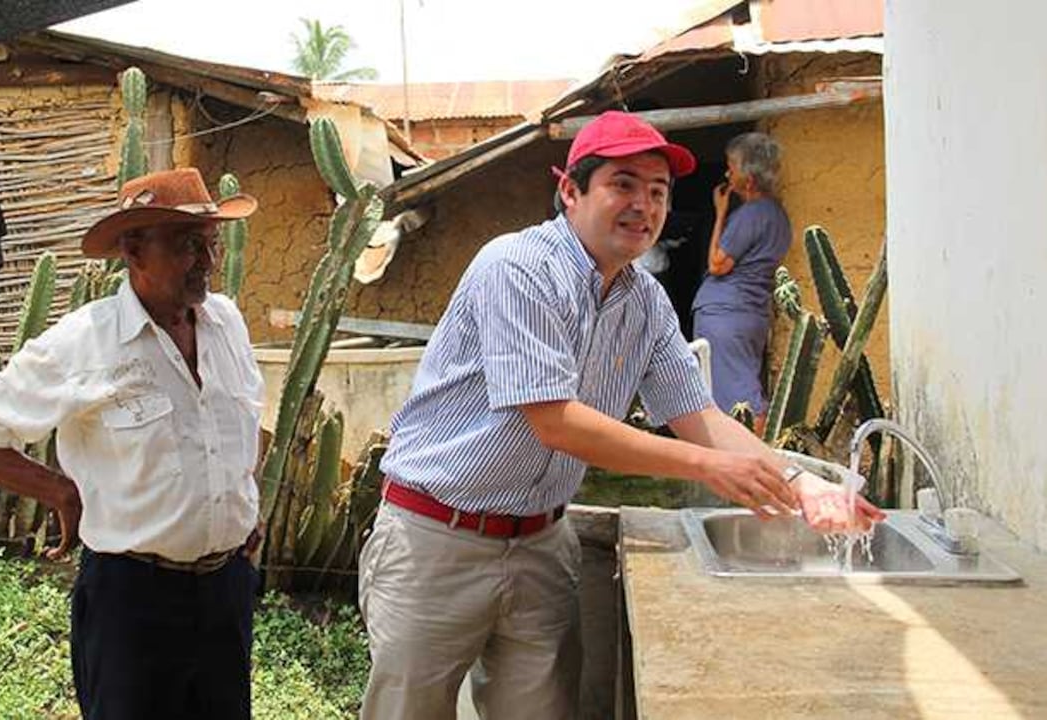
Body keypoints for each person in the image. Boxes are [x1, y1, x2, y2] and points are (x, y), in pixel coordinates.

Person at [357, 112, 883, 720]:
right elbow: (554, 420)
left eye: (658, 191)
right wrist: (711, 468)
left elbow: (699, 415)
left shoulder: (646, 300)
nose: (645, 204)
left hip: (540, 542)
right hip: (436, 540)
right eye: (624, 184)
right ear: (571, 191)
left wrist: (803, 483)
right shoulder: (518, 268)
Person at [0, 168, 264, 720]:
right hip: (134, 598)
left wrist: (240, 502)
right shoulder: (85, 341)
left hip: (226, 590)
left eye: (211, 244)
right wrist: (62, 493)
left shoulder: (225, 323)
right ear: (134, 250)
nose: (208, 261)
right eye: (188, 245)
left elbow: (246, 418)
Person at [692, 132, 793, 425]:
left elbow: (717, 264)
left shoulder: (752, 213)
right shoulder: (778, 216)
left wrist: (720, 214)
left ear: (748, 180)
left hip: (727, 312)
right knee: (738, 385)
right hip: (750, 311)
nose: (727, 173)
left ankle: (761, 457)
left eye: (732, 168)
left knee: (739, 395)